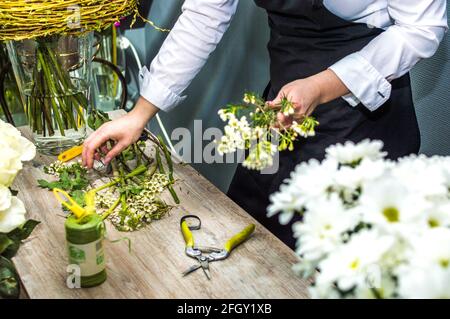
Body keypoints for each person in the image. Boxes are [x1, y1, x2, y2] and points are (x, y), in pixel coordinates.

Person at [82, 0, 448, 249]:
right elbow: (204, 15)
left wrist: (321, 86)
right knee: (248, 235)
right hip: (282, 107)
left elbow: (422, 28)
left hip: (365, 111)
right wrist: (140, 114)